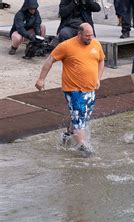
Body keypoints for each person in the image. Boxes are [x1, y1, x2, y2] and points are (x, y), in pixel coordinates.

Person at [35, 23, 105, 157]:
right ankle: (84, 148)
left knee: (83, 117)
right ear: (79, 34)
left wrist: (98, 78)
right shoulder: (66, 46)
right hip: (73, 89)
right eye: (87, 36)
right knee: (79, 118)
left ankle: (67, 135)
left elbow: (101, 60)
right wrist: (41, 79)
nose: (90, 38)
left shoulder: (96, 44)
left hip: (90, 89)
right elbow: (50, 60)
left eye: (91, 35)